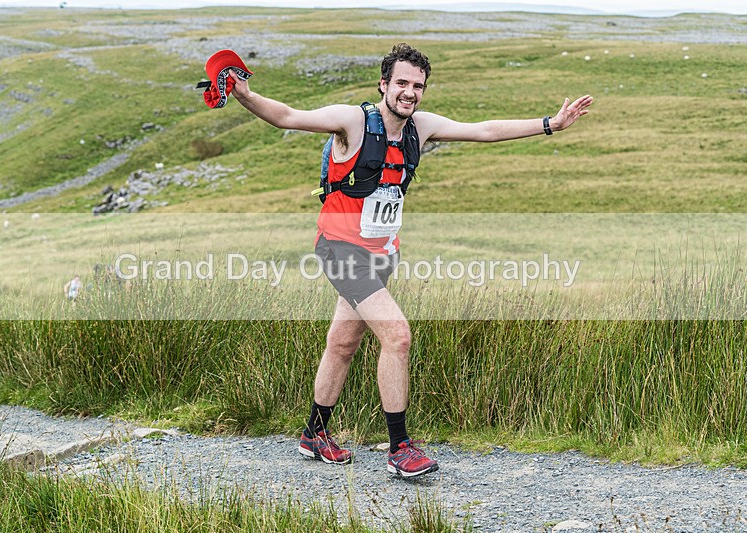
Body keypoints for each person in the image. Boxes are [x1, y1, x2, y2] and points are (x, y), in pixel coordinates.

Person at [227, 43, 593, 477]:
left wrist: (550, 124)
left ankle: (314, 434)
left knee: (342, 344)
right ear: (383, 84)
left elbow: (484, 130)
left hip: (382, 254)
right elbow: (288, 116)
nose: (409, 92)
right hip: (340, 250)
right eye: (401, 83)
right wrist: (245, 95)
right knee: (397, 336)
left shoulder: (421, 127)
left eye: (417, 86)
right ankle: (400, 448)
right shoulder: (352, 122)